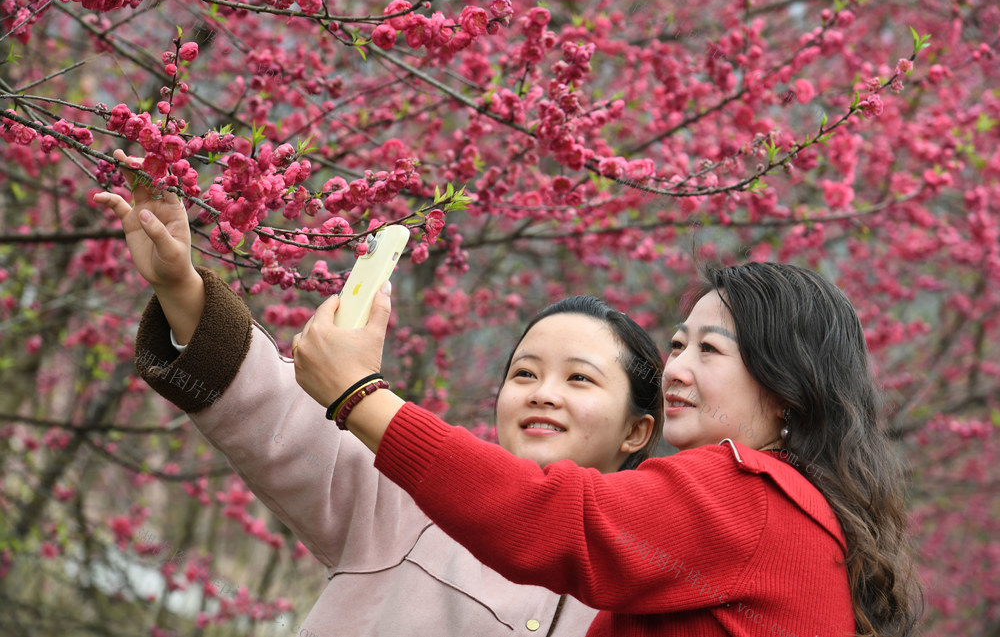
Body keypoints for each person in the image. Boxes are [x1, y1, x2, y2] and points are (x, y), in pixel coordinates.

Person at [94, 152, 665, 636]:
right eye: (524, 374)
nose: (543, 394)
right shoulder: (418, 503)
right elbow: (277, 415)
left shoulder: (651, 588)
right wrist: (180, 286)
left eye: (579, 379)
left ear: (637, 430)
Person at [293, 261, 922, 637]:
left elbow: (550, 518)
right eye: (677, 346)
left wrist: (360, 396)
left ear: (787, 387)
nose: (673, 369)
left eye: (708, 350)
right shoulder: (797, 517)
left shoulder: (753, 495)